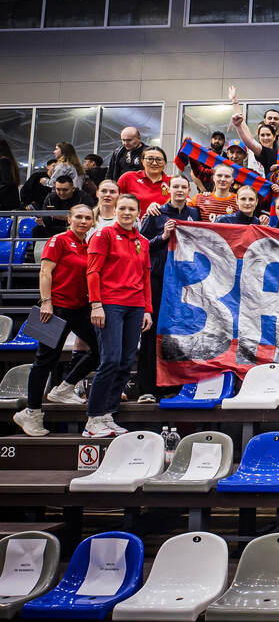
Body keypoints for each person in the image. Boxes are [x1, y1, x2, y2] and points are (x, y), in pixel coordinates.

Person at [13, 205, 98, 436]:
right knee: (45, 361)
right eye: (79, 217)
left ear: (92, 221)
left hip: (79, 309)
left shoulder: (88, 245)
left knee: (101, 350)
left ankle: (64, 388)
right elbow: (45, 272)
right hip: (55, 309)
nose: (83, 221)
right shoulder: (58, 240)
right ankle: (31, 413)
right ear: (69, 219)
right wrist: (46, 302)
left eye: (87, 218)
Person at [85, 194, 151, 438]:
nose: (126, 213)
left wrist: (147, 309)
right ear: (115, 210)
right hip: (110, 305)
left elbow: (145, 277)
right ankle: (93, 418)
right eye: (122, 208)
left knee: (125, 362)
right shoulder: (103, 235)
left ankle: (108, 415)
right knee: (110, 360)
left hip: (135, 306)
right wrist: (96, 305)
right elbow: (92, 272)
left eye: (131, 209)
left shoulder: (142, 241)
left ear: (138, 213)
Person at [137, 176, 200, 403]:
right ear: (168, 189)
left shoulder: (195, 214)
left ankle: (175, 386)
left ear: (189, 190)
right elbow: (141, 247)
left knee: (178, 334)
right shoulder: (156, 213)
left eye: (184, 187)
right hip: (158, 280)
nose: (180, 190)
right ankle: (147, 388)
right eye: (176, 186)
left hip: (184, 283)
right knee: (151, 332)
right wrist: (163, 236)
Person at [37, 173, 95, 237]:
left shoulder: (84, 198)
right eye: (58, 189)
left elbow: (89, 218)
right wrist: (42, 220)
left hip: (76, 228)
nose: (61, 193)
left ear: (73, 188)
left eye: (65, 190)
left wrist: (61, 217)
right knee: (37, 230)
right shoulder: (50, 198)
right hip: (54, 228)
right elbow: (45, 216)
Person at [117, 145, 171, 215]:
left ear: (165, 163)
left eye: (159, 160)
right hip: (132, 221)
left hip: (166, 221)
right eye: (150, 159)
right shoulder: (128, 177)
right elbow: (115, 202)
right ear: (142, 161)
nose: (154, 163)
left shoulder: (172, 182)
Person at [0, 138, 20, 209]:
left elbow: (6, 182)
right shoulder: (8, 161)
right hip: (7, 202)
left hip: (3, 202)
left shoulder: (3, 161)